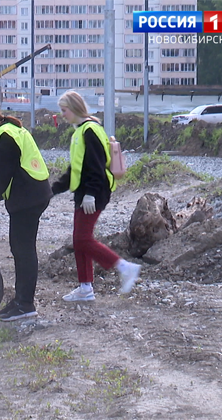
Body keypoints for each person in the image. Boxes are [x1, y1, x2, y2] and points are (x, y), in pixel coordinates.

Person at [0, 98, 52, 322]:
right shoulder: (12, 130)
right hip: (33, 193)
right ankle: (20, 300)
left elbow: (3, 176)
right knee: (19, 249)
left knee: (23, 251)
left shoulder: (4, 137)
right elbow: (11, 173)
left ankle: (26, 305)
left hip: (28, 198)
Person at [53, 90, 141, 301]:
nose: (63, 115)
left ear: (74, 108)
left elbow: (95, 166)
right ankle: (85, 288)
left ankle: (124, 267)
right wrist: (53, 190)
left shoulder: (90, 130)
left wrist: (90, 194)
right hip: (85, 193)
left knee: (83, 239)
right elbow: (75, 168)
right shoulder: (82, 131)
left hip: (93, 193)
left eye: (64, 110)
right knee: (79, 240)